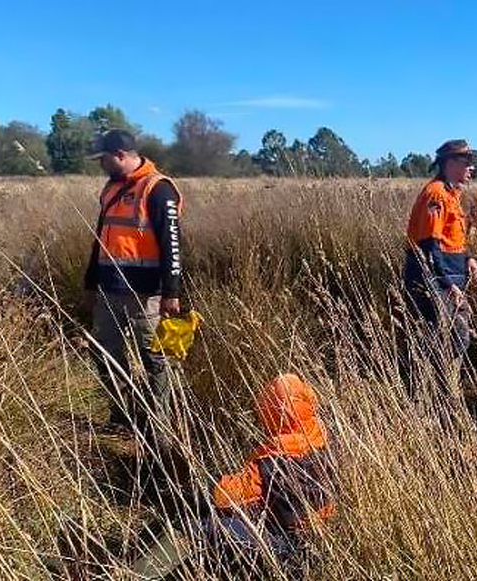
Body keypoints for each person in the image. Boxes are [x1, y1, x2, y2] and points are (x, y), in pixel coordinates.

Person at [83, 129, 183, 445]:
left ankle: (160, 431)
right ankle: (124, 417)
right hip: (109, 291)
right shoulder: (111, 189)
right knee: (105, 355)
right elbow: (100, 238)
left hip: (147, 296)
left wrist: (171, 292)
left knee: (156, 362)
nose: (101, 164)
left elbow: (172, 245)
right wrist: (90, 281)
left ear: (121, 155)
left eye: (104, 159)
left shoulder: (158, 189)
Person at [205, 373, 335, 576]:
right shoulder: (323, 434)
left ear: (271, 414)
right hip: (325, 533)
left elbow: (224, 498)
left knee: (207, 526)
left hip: (288, 548)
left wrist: (213, 482)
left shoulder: (272, 459)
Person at [403, 139, 477, 363]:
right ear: (450, 163)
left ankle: (442, 386)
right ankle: (428, 384)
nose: (471, 168)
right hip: (434, 278)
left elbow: (452, 235)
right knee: (453, 336)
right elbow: (429, 245)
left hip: (448, 276)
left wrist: (469, 257)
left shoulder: (452, 194)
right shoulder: (436, 194)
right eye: (467, 161)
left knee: (451, 334)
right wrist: (447, 284)